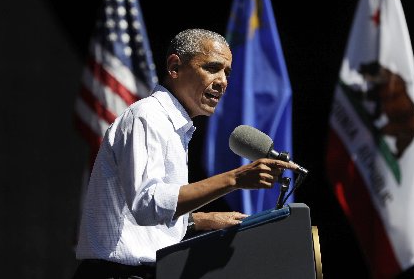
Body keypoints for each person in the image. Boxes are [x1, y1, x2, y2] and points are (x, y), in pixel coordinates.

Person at [73, 28, 298, 279]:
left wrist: (199, 221)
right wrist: (235, 179)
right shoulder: (149, 118)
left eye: (227, 72)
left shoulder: (175, 127)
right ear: (175, 67)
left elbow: (138, 217)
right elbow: (147, 204)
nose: (223, 81)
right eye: (212, 68)